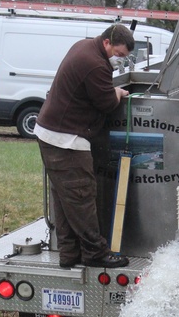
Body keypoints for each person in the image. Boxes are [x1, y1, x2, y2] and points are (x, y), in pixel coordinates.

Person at [35, 23, 134, 269]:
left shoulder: (83, 46)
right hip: (66, 140)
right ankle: (95, 254)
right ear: (107, 43)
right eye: (119, 54)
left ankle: (69, 254)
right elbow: (105, 102)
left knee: (65, 199)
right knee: (81, 197)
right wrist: (118, 94)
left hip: (50, 133)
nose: (119, 60)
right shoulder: (95, 64)